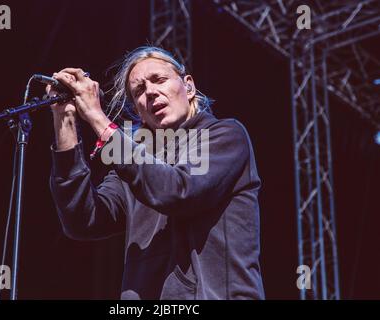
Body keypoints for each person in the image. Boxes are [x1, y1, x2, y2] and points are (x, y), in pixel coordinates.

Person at [48, 46, 265, 299]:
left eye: (159, 80)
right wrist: (65, 121)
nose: (150, 92)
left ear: (189, 87)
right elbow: (82, 221)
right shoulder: (133, 167)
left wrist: (98, 118)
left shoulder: (225, 135)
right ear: (138, 110)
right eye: (139, 90)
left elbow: (178, 191)